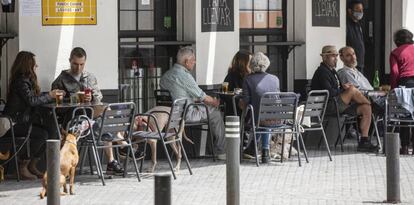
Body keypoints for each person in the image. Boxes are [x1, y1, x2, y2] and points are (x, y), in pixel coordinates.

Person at [51, 47, 124, 175]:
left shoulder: (90, 77)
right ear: (70, 61)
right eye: (75, 64)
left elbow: (99, 98)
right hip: (74, 121)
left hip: (92, 118)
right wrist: (75, 99)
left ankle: (112, 161)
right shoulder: (60, 80)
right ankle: (121, 143)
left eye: (81, 64)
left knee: (105, 113)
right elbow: (58, 108)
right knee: (103, 121)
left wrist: (92, 97)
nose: (78, 68)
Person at [2, 51, 63, 179]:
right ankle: (23, 165)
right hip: (12, 123)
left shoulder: (25, 81)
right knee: (42, 134)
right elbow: (32, 101)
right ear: (28, 65)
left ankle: (32, 164)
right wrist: (50, 96)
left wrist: (49, 96)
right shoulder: (21, 82)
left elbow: (33, 98)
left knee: (51, 131)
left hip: (21, 121)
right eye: (34, 64)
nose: (37, 66)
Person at [160, 46, 226, 158]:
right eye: (193, 60)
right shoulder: (185, 76)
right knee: (216, 114)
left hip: (172, 114)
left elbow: (178, 94)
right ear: (186, 62)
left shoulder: (165, 76)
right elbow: (202, 96)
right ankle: (221, 151)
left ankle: (214, 148)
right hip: (186, 115)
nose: (194, 62)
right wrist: (216, 102)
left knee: (207, 109)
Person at [311, 45, 377, 152]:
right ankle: (373, 104)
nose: (335, 58)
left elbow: (336, 89)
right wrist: (344, 90)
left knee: (365, 108)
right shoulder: (322, 72)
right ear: (324, 58)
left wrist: (343, 87)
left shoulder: (332, 71)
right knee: (352, 90)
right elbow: (330, 92)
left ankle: (364, 141)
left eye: (336, 56)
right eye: (332, 56)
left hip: (339, 104)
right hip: (328, 106)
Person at [239, 52, 280, 163]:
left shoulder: (248, 79)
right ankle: (263, 151)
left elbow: (246, 101)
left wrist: (240, 103)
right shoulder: (275, 79)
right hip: (278, 118)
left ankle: (253, 148)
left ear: (251, 65)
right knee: (266, 117)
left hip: (258, 119)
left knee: (259, 117)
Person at [389, 28, 414, 154]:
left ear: (397, 41)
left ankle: (404, 147)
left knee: (404, 113)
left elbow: (394, 72)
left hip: (406, 83)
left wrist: (393, 89)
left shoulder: (395, 53)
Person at [223, 50, 252, 115]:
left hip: (249, 110)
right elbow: (224, 94)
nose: (252, 64)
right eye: (250, 62)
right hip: (235, 111)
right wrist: (238, 101)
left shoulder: (252, 76)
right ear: (243, 63)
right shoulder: (232, 75)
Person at [346, 0, 365, 73]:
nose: (360, 12)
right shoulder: (346, 25)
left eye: (362, 10)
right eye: (358, 9)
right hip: (350, 63)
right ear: (350, 11)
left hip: (360, 62)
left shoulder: (359, 25)